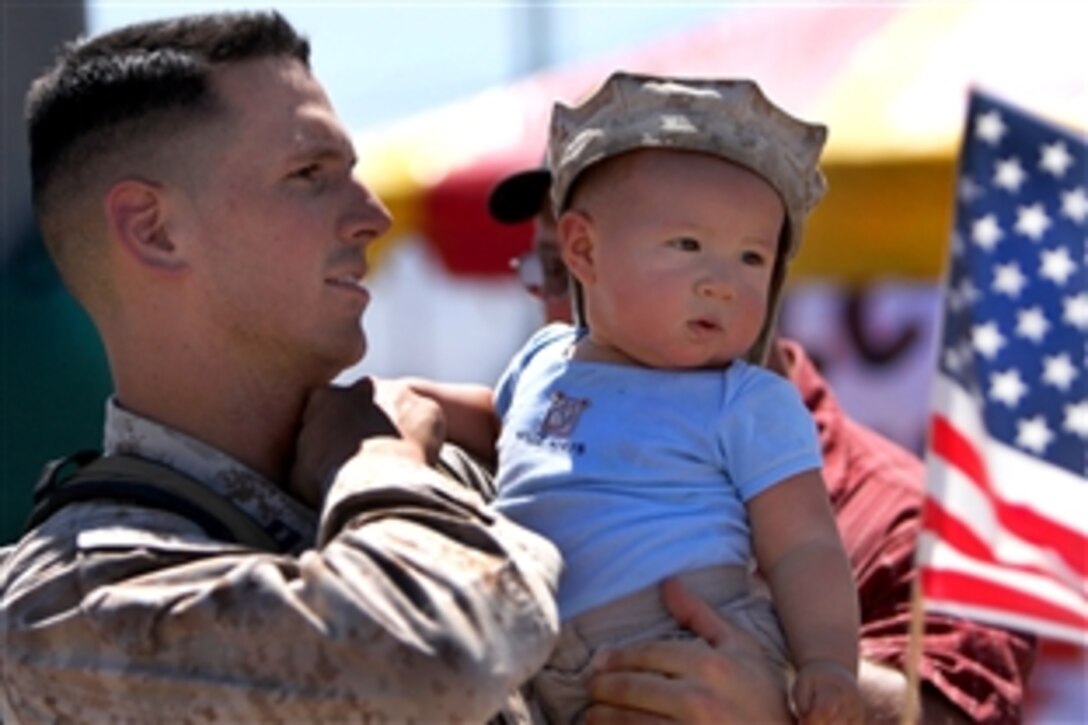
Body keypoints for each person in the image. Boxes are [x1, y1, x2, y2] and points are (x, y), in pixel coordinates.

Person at [0, 11, 563, 722]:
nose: (373, 215)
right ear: (155, 228)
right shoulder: (68, 600)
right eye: (309, 174)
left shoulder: (446, 465)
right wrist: (380, 468)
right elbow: (428, 663)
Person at [484, 135, 1038, 725]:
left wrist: (783, 695)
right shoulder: (526, 426)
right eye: (554, 265)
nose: (568, 296)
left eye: (737, 253)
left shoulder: (917, 523)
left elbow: (952, 713)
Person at [414, 72, 865, 725]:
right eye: (687, 245)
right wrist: (396, 401)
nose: (721, 283)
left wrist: (827, 661)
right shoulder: (544, 360)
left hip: (680, 644)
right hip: (527, 655)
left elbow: (804, 546)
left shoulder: (746, 402)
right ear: (584, 250)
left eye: (750, 257)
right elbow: (498, 420)